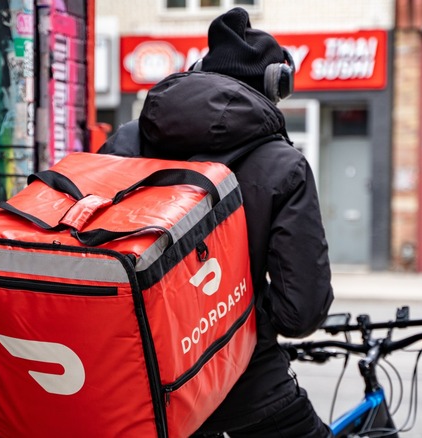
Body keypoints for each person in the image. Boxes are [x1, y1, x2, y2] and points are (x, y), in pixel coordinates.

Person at [99, 7, 334, 438]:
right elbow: (300, 313)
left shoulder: (126, 139)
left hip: (137, 383)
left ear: (197, 71)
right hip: (245, 389)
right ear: (274, 85)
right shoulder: (284, 166)